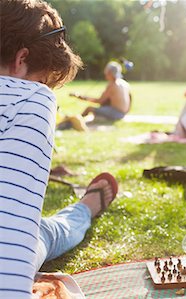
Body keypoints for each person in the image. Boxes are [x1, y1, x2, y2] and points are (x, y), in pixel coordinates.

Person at [0, 0, 82, 297]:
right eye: (43, 81)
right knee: (45, 233)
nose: (43, 90)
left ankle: (83, 211)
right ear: (21, 59)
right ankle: (84, 210)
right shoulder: (31, 98)